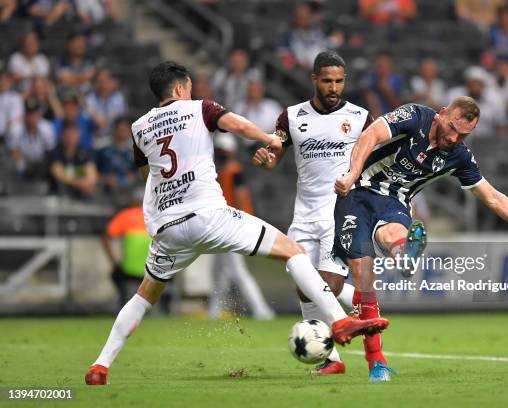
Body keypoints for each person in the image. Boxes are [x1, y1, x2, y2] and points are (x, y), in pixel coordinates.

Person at [84, 61, 388, 385]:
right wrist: (267, 137)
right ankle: (340, 321)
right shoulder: (200, 108)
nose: (190, 93)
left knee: (145, 294)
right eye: (188, 88)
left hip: (168, 229)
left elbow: (149, 176)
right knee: (292, 250)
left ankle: (100, 366)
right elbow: (238, 126)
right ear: (178, 89)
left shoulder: (139, 127)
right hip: (209, 216)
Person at [332, 96, 508, 380]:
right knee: (363, 273)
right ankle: (377, 355)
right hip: (358, 190)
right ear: (442, 113)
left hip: (395, 201)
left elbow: (493, 198)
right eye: (452, 128)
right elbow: (371, 134)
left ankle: (403, 255)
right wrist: (351, 174)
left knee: (395, 233)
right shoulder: (415, 116)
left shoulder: (459, 155)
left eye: (463, 135)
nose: (454, 137)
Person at [253, 51, 386, 379]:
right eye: (327, 80)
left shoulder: (360, 117)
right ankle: (333, 358)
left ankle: (361, 310)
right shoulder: (291, 117)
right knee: (304, 288)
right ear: (314, 79)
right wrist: (267, 160)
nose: (334, 87)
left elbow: (377, 158)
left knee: (326, 282)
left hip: (340, 214)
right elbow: (276, 155)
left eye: (339, 81)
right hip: (303, 216)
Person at [209, 133, 275, 320]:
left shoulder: (234, 170)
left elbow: (240, 196)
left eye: (221, 150)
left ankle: (262, 310)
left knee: (237, 272)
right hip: (226, 226)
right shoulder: (226, 170)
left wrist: (240, 223)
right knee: (221, 273)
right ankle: (213, 312)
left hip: (233, 226)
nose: (219, 153)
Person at [101, 187, 151, 309]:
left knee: (126, 301)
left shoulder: (125, 216)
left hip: (129, 271)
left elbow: (105, 237)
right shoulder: (155, 216)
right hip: (153, 271)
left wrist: (113, 261)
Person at [48, 122, 98, 198]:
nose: (70, 138)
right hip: (58, 195)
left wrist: (67, 173)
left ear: (78, 135)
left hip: (81, 196)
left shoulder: (84, 152)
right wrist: (81, 178)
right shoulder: (55, 152)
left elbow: (92, 176)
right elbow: (59, 175)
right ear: (62, 135)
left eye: (73, 134)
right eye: (68, 135)